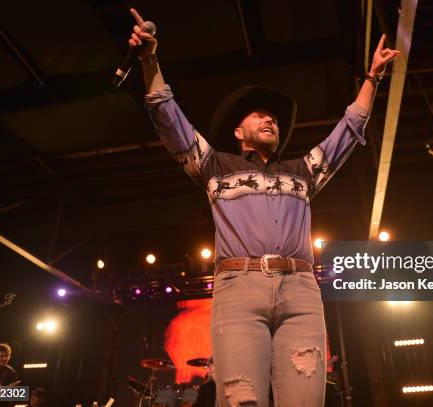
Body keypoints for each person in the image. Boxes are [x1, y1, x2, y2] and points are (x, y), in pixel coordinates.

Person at [127, 8, 399, 406]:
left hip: (302, 290)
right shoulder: (216, 165)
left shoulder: (301, 171)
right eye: (259, 115)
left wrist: (373, 77)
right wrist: (149, 59)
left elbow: (350, 130)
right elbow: (168, 118)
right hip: (239, 288)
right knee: (242, 400)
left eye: (272, 117)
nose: (269, 118)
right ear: (239, 133)